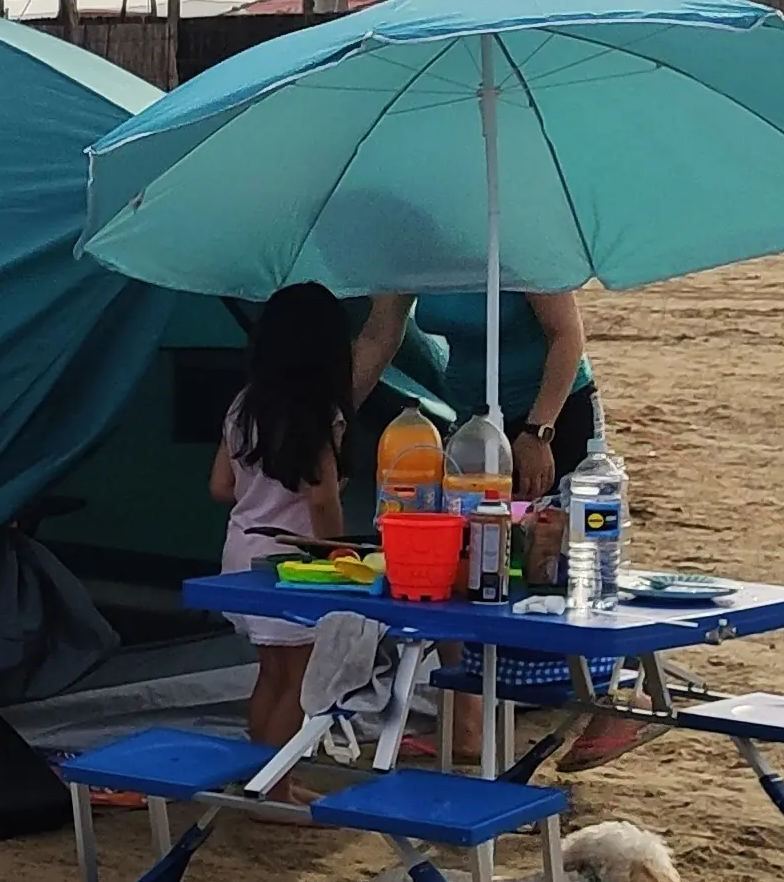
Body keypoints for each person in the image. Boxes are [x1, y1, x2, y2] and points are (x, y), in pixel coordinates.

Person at [215, 284, 352, 746]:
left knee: (270, 674)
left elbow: (220, 487)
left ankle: (262, 778)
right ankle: (277, 785)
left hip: (240, 554)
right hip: (291, 563)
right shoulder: (317, 413)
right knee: (302, 680)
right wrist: (338, 552)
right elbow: (321, 498)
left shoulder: (242, 405)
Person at [350, 289, 592, 500]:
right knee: (476, 538)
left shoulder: (519, 242)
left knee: (552, 541)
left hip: (552, 415)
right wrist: (337, 418)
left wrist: (538, 432)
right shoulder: (414, 250)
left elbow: (567, 335)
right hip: (472, 421)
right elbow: (378, 338)